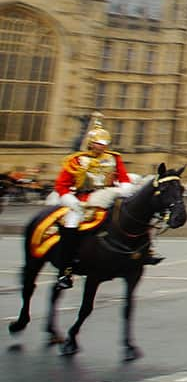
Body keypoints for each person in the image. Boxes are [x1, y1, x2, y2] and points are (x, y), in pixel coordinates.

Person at [52, 120, 136, 289]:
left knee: (131, 217)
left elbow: (124, 179)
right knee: (71, 222)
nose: (102, 147)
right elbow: (61, 186)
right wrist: (72, 202)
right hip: (83, 201)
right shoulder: (77, 160)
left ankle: (142, 253)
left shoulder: (114, 158)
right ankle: (66, 270)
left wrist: (125, 189)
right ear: (91, 143)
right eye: (99, 143)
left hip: (108, 197)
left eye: (105, 144)